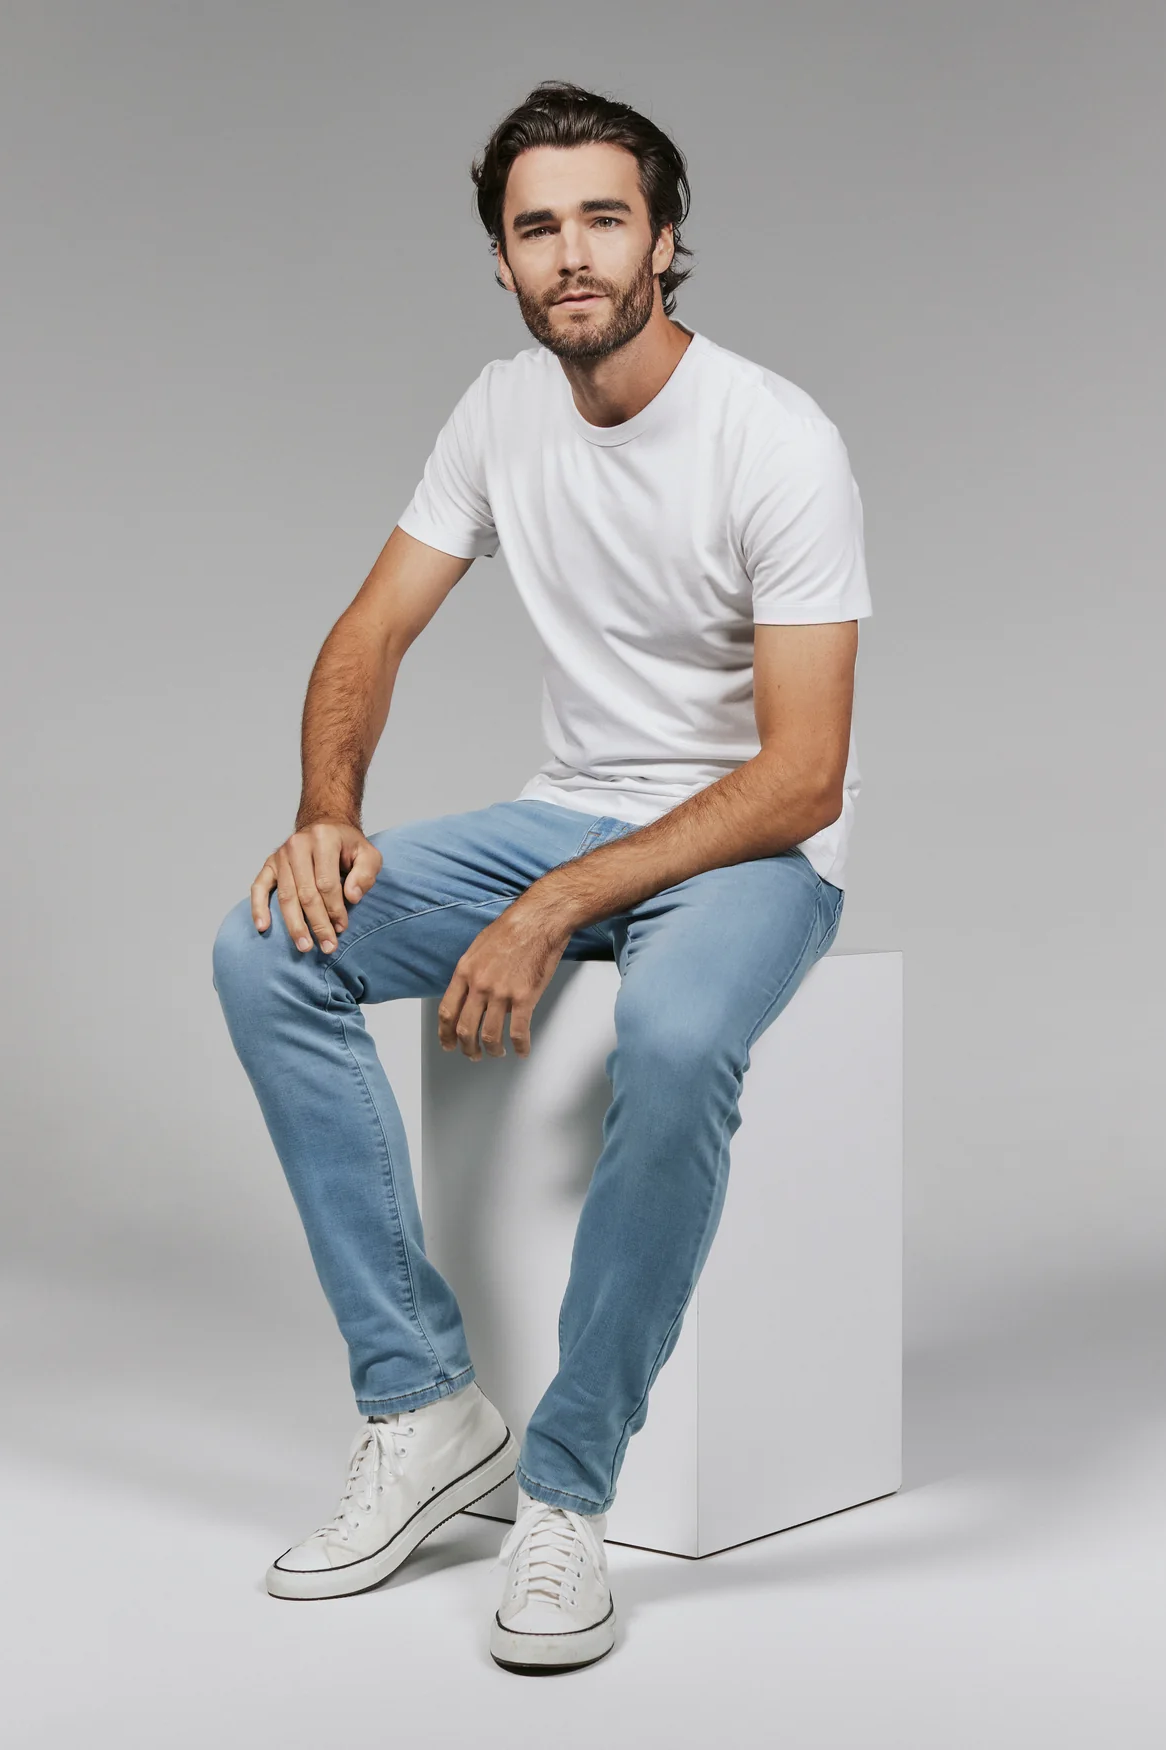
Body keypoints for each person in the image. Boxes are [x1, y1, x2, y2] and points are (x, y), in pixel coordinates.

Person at [211, 78, 872, 1675]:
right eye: (535, 227)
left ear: (664, 239)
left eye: (601, 216)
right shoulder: (498, 409)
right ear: (501, 263)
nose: (570, 253)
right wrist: (324, 805)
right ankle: (424, 1402)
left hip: (751, 844)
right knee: (266, 953)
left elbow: (800, 773)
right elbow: (369, 630)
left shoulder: (773, 436)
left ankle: (567, 1489)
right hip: (566, 810)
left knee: (668, 1039)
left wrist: (549, 905)